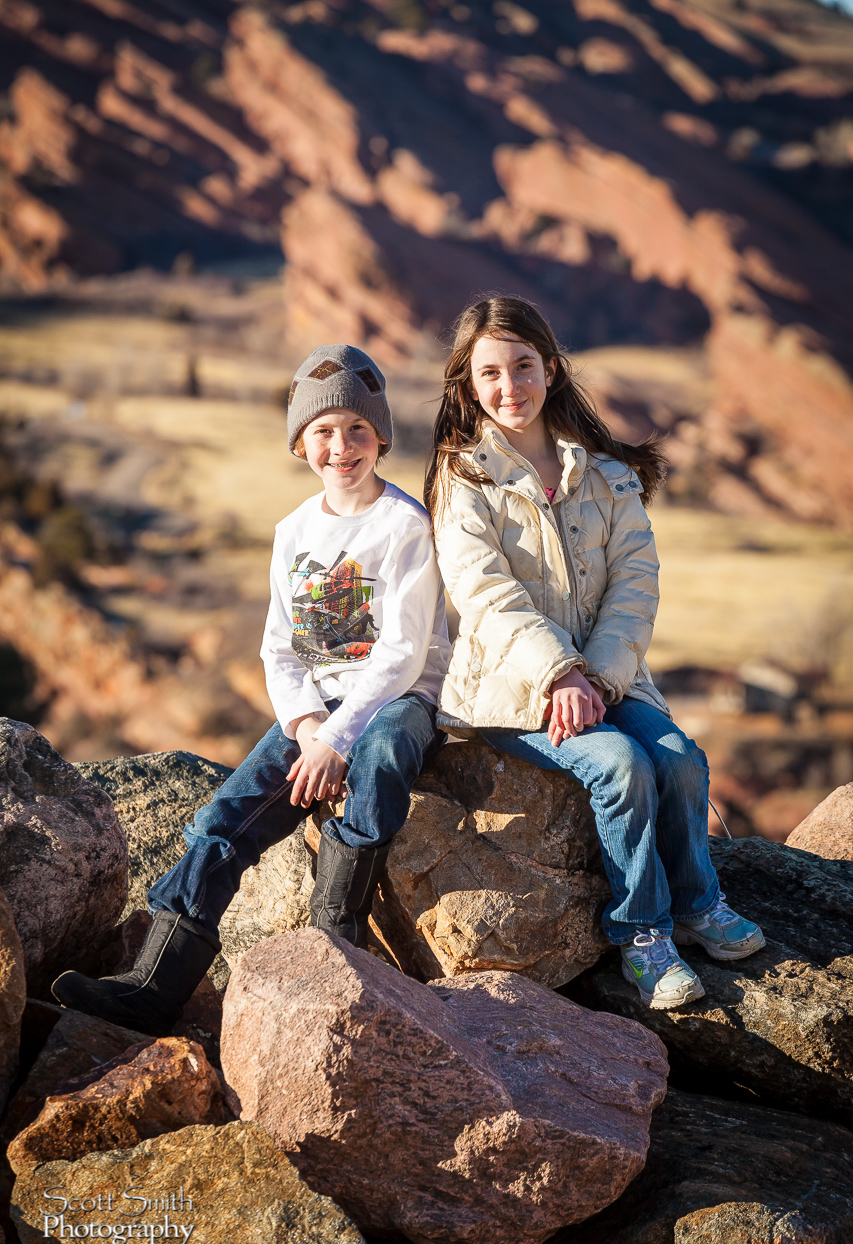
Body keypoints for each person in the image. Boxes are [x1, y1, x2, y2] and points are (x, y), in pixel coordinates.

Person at [53, 344, 449, 1035]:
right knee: (221, 821)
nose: (341, 446)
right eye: (322, 432)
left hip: (399, 697)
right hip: (314, 710)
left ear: (381, 436)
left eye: (358, 430)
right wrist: (303, 729)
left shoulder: (403, 525)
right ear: (300, 444)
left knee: (382, 759)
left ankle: (337, 942)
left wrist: (335, 740)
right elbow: (279, 645)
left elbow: (403, 652)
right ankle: (153, 986)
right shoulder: (293, 532)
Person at [424, 296, 763, 1010]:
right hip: (508, 692)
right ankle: (641, 936)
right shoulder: (465, 480)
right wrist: (557, 672)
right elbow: (484, 596)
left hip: (609, 680)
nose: (508, 386)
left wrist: (597, 676)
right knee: (619, 764)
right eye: (489, 373)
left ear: (550, 368)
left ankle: (699, 904)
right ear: (467, 385)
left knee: (675, 755)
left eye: (522, 366)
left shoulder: (607, 474)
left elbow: (636, 585)